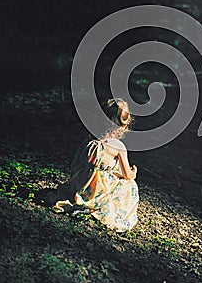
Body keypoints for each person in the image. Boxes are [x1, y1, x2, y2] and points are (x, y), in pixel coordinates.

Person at [54, 98, 139, 232]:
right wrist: (133, 172)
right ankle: (113, 210)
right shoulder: (118, 147)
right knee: (130, 184)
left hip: (81, 184)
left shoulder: (90, 140)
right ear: (125, 123)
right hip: (99, 192)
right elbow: (127, 175)